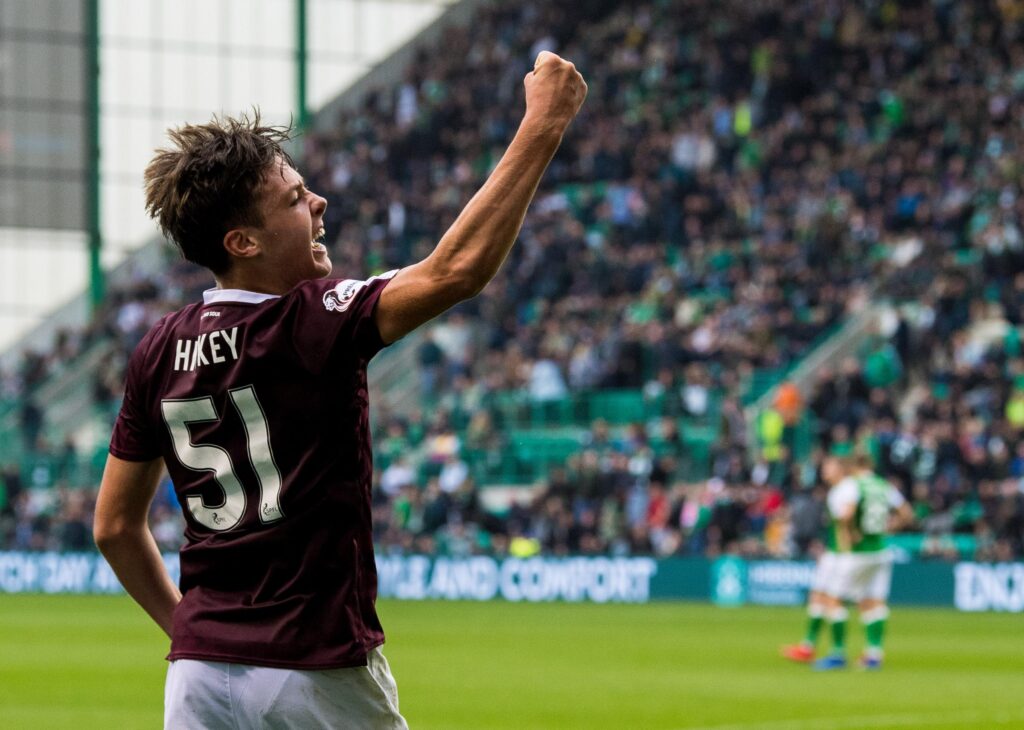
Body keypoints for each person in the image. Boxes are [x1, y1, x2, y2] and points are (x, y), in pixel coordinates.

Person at [93, 51, 586, 728]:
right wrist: (545, 123)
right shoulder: (311, 321)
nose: (318, 201)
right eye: (295, 199)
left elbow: (114, 526)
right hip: (312, 668)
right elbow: (456, 271)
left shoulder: (157, 349)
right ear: (243, 242)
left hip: (197, 676)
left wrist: (188, 628)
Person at [812, 454, 913, 671]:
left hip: (857, 553)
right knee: (873, 602)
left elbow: (846, 515)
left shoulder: (852, 486)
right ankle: (874, 654)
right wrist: (889, 528)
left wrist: (851, 534)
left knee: (833, 599)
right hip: (880, 551)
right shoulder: (884, 485)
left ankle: (837, 653)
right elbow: (906, 513)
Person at [780, 455, 843, 663]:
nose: (825, 469)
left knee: (833, 599)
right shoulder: (834, 491)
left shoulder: (845, 491)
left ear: (841, 468)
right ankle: (808, 646)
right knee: (818, 595)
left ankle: (838, 652)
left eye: (829, 465)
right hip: (832, 552)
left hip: (841, 555)